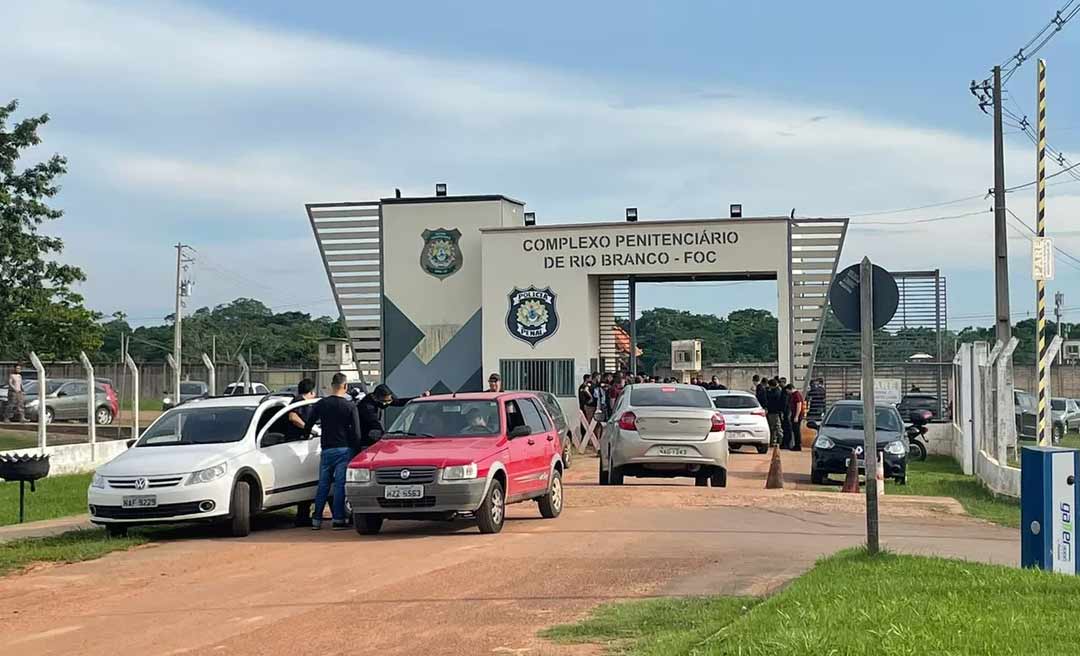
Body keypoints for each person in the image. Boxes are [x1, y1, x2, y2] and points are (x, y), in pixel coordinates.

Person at [303, 373, 363, 530]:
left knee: (323, 484)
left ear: (332, 385)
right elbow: (356, 432)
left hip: (326, 448)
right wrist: (357, 450)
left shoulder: (321, 404)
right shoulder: (350, 406)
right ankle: (338, 520)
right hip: (344, 449)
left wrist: (304, 435)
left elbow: (309, 423)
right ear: (345, 386)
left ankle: (316, 519)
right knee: (339, 485)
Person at [286, 378, 318, 526]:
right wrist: (308, 429)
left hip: (301, 445)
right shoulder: (299, 402)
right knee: (303, 478)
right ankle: (302, 516)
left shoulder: (303, 402)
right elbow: (293, 417)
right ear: (311, 392)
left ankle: (303, 516)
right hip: (296, 444)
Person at [764, 378, 785, 447]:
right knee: (774, 428)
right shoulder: (778, 391)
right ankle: (775, 441)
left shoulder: (775, 392)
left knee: (776, 427)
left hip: (774, 412)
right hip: (774, 412)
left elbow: (770, 399)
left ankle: (781, 441)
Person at [787, 383, 805, 452]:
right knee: (795, 431)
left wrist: (796, 416)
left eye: (788, 391)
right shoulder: (794, 395)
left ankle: (798, 445)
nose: (788, 393)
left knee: (796, 431)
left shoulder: (796, 395)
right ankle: (796, 445)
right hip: (794, 415)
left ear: (790, 389)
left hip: (797, 416)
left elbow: (799, 406)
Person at [577, 374, 596, 438]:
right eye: (590, 378)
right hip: (585, 407)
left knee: (584, 422)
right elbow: (585, 397)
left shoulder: (583, 387)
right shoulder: (584, 387)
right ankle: (585, 436)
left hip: (583, 407)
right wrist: (590, 398)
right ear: (587, 379)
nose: (591, 380)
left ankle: (585, 436)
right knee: (585, 423)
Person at [779, 377, 793, 449]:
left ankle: (786, 444)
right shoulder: (784, 391)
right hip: (786, 412)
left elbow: (784, 403)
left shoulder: (785, 392)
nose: (779, 383)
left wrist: (782, 412)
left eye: (780, 382)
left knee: (786, 428)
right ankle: (786, 443)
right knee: (786, 428)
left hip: (786, 412)